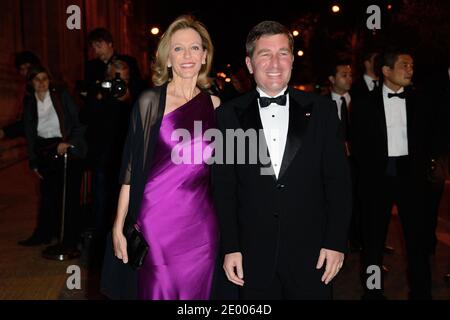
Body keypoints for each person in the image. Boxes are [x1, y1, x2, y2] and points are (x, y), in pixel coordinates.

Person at [213, 21, 352, 300]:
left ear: (292, 59)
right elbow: (224, 188)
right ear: (250, 64)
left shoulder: (323, 111)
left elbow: (339, 183)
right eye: (265, 54)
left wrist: (335, 242)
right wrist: (231, 246)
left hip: (313, 257)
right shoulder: (228, 115)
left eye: (283, 53)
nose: (275, 62)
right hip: (252, 258)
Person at [108, 15, 221, 300]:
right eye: (178, 48)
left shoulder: (217, 106)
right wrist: (119, 224)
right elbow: (130, 171)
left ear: (204, 55)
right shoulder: (150, 102)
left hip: (201, 227)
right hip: (155, 224)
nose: (187, 55)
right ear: (167, 58)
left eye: (194, 48)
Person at [351, 48, 433, 300]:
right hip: (377, 180)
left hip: (411, 179)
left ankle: (421, 292)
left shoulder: (420, 101)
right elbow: (358, 144)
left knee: (417, 242)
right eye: (404, 65)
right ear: (386, 71)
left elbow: (428, 139)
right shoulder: (364, 103)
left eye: (412, 65)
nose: (410, 69)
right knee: (374, 243)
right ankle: (374, 292)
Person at [19, 65, 86, 249]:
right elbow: (29, 133)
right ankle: (45, 234)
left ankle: (70, 239)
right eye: (37, 79)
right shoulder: (29, 102)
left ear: (49, 81)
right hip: (44, 150)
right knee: (48, 195)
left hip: (65, 148)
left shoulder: (60, 96)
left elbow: (79, 122)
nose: (41, 83)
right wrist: (33, 162)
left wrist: (70, 142)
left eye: (44, 79)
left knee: (68, 196)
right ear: (31, 83)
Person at [0, 51, 41, 140]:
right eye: (21, 69)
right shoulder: (29, 90)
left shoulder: (44, 89)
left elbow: (33, 122)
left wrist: (5, 131)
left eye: (27, 67)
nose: (25, 72)